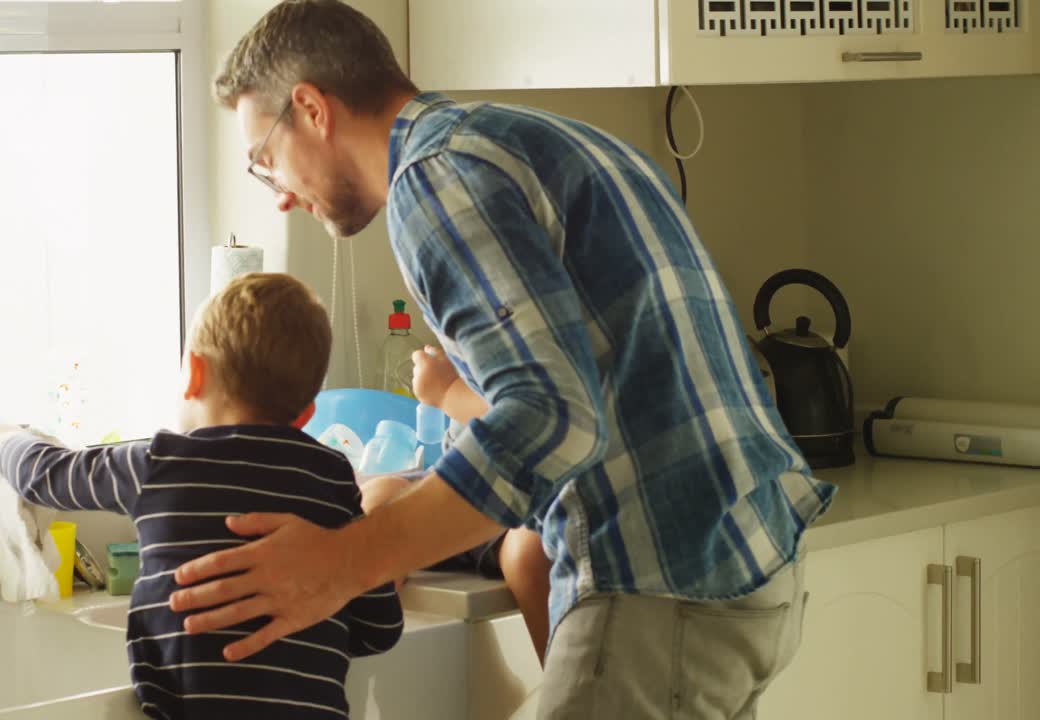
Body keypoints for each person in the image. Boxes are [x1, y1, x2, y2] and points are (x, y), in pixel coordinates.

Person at [171, 1, 837, 716]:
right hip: (748, 562)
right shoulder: (536, 140)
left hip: (658, 583)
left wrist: (343, 563)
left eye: (264, 162)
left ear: (311, 108)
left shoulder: (435, 179)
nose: (278, 199)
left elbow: (549, 419)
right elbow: (574, 394)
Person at [0, 272, 403, 720]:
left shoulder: (160, 464)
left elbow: (50, 474)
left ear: (193, 374)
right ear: (306, 413)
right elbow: (381, 629)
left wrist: (0, 439)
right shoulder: (332, 478)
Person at [359, 346, 553, 665]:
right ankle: (368, 634)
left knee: (529, 554)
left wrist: (448, 390)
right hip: (458, 476)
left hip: (526, 495)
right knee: (379, 496)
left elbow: (530, 425)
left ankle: (568, 689)